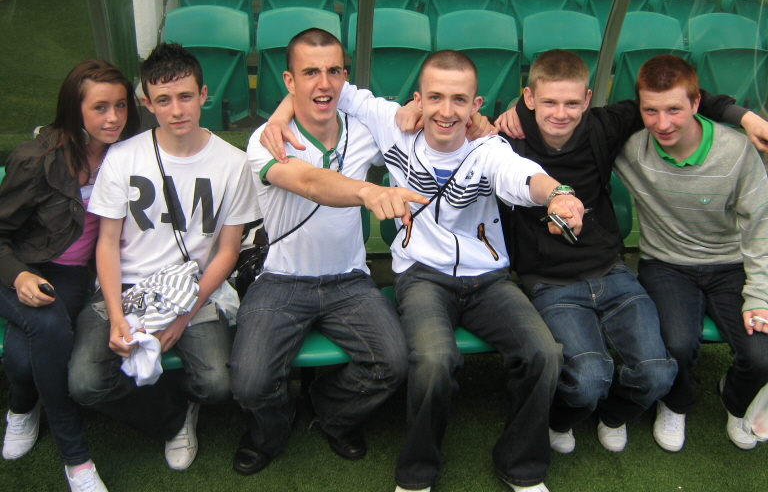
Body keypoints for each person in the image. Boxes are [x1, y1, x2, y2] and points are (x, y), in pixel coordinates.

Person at [265, 49, 584, 492]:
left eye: (459, 100)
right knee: (435, 361)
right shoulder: (392, 123)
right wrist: (280, 115)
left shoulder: (489, 147)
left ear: (476, 105)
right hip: (421, 276)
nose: (446, 111)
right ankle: (416, 475)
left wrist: (559, 194)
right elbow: (333, 89)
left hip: (488, 279)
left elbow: (522, 176)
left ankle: (522, 467)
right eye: (435, 97)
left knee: (544, 354)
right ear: (418, 99)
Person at [230, 28, 427, 477]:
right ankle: (272, 430)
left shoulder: (364, 131)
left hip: (348, 280)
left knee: (392, 363)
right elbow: (308, 182)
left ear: (344, 77)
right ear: (289, 80)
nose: (324, 84)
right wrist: (368, 191)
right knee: (249, 383)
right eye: (310, 73)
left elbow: (420, 128)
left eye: (334, 71)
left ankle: (330, 410)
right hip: (281, 279)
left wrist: (446, 116)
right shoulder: (268, 139)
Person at [67, 42, 259, 471]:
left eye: (186, 96)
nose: (177, 110)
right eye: (164, 100)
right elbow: (106, 244)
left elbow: (229, 250)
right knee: (84, 383)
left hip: (193, 287)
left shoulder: (233, 163)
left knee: (216, 385)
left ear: (204, 94)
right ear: (147, 102)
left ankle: (190, 402)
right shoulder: (123, 157)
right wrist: (117, 315)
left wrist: (183, 315)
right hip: (127, 287)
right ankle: (172, 416)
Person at [613, 54, 768, 452]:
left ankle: (735, 399)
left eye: (674, 110)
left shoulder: (736, 150)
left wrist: (759, 295)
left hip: (730, 263)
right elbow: (563, 127)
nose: (662, 123)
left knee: (762, 355)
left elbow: (760, 227)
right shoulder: (630, 147)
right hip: (666, 264)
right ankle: (676, 403)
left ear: (697, 103)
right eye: (650, 110)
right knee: (676, 344)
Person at [0, 59, 141, 492]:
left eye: (120, 105)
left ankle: (21, 405)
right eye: (100, 107)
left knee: (22, 357)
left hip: (70, 273)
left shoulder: (128, 154)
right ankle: (76, 458)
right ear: (73, 109)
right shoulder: (36, 159)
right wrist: (18, 276)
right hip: (17, 265)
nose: (113, 117)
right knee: (48, 327)